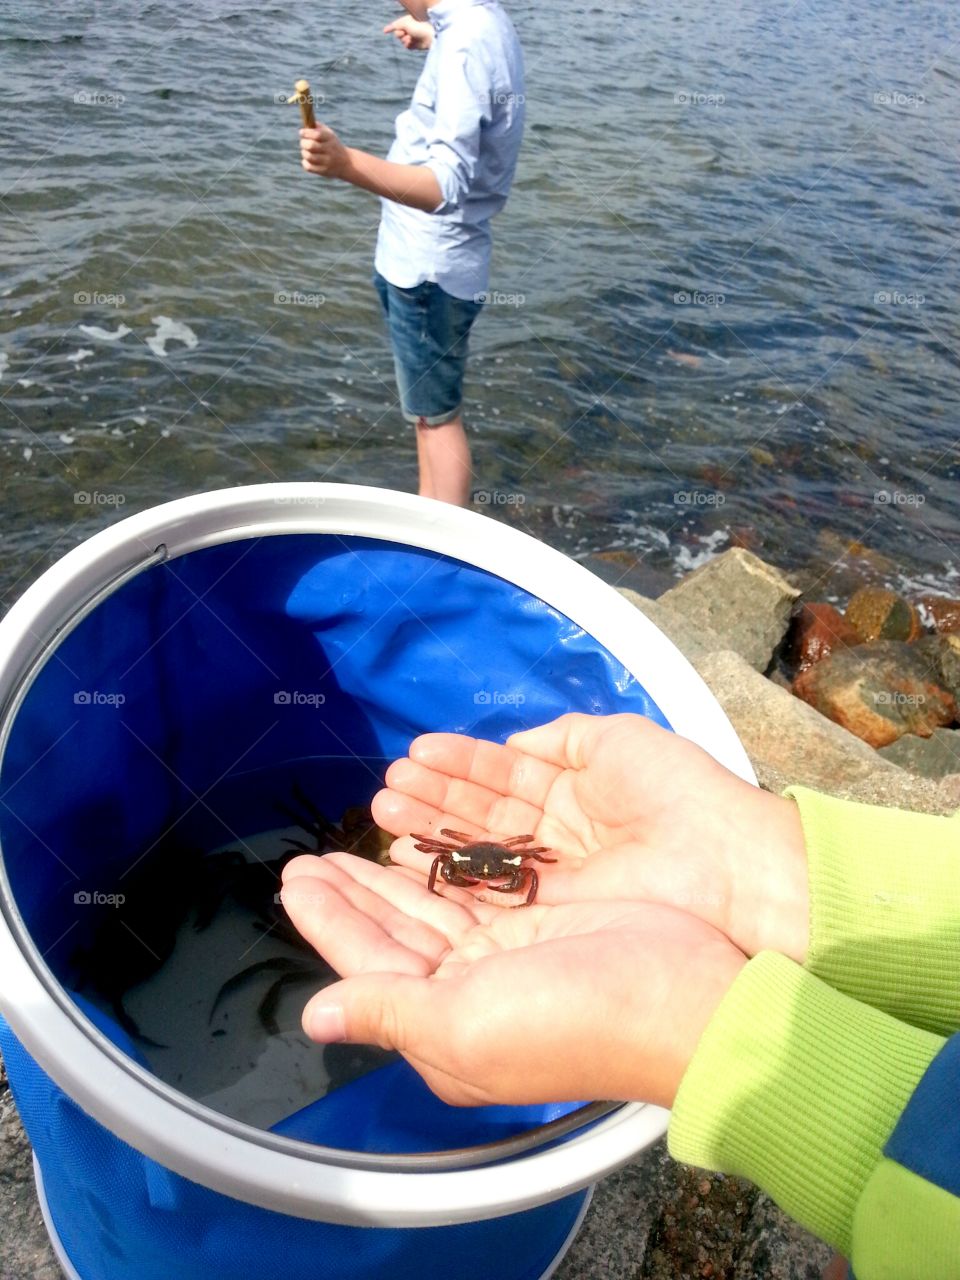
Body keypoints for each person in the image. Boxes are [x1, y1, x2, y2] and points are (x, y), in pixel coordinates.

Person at [280, 712, 960, 1280]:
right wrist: (773, 873)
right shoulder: (462, 857)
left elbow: (522, 864)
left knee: (507, 857)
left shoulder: (517, 858)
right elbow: (451, 855)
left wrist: (679, 1021)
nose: (484, 869)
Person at [298, 0, 525, 506]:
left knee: (436, 421)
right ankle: (432, 527)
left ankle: (442, 555)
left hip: (428, 270)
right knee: (429, 415)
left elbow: (443, 186)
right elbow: (476, 78)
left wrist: (345, 163)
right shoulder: (476, 22)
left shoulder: (464, 42)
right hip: (437, 264)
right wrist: (430, 36)